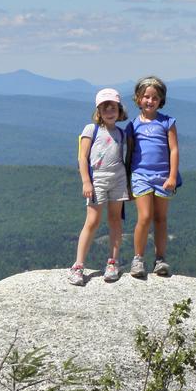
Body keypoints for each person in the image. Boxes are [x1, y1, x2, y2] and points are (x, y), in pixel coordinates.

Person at [68, 88, 131, 286]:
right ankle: (78, 265)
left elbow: (125, 159)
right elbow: (82, 156)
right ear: (98, 111)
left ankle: (113, 262)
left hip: (118, 178)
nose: (109, 111)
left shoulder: (121, 132)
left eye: (113, 107)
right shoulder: (91, 129)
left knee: (115, 220)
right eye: (105, 108)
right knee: (92, 221)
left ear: (120, 110)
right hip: (98, 179)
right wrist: (86, 181)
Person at [127, 75, 180, 278]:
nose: (150, 101)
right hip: (140, 175)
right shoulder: (133, 125)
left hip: (163, 177)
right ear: (138, 99)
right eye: (146, 97)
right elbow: (129, 154)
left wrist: (172, 176)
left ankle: (160, 259)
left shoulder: (167, 122)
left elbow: (174, 150)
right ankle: (138, 259)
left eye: (155, 97)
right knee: (145, 217)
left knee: (161, 218)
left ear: (161, 100)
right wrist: (128, 182)